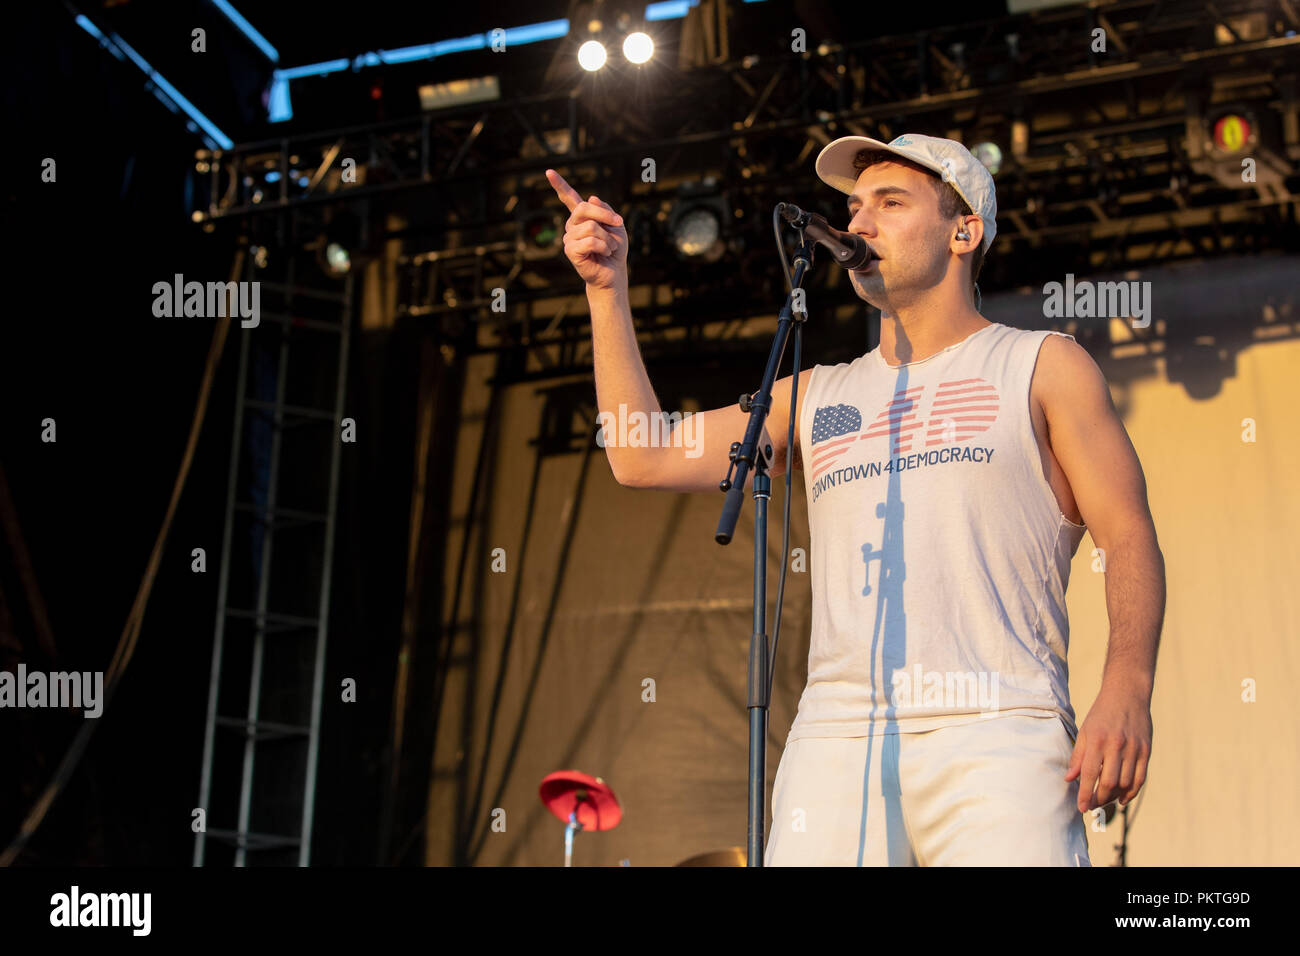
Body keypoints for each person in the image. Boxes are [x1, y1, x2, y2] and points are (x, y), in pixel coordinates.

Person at [545, 132, 1163, 866]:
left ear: (964, 231)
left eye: (889, 203)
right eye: (852, 207)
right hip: (837, 740)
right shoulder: (814, 391)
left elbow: (1127, 535)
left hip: (1000, 725)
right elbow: (639, 454)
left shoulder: (1040, 364)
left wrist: (1127, 686)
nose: (856, 225)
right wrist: (605, 290)